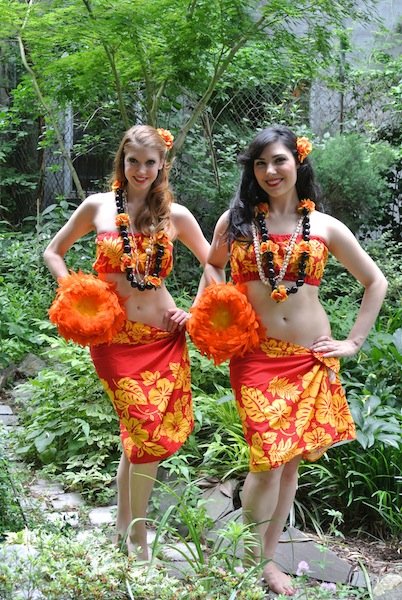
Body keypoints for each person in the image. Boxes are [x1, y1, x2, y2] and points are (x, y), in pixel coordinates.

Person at [202, 125, 388, 596]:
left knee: (288, 465)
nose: (270, 171)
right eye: (261, 163)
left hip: (310, 358)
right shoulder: (237, 222)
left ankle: (266, 561)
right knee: (266, 462)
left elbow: (375, 282)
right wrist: (213, 310)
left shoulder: (323, 226)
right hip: (256, 358)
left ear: (297, 162)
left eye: (279, 160)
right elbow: (211, 262)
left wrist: (354, 342)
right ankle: (246, 562)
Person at [44, 124, 210, 558]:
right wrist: (74, 291)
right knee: (145, 431)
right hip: (114, 337)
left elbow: (214, 265)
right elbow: (53, 252)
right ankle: (138, 539)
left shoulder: (176, 215)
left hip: (163, 335)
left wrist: (193, 310)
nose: (140, 170)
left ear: (162, 165)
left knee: (139, 439)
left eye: (149, 163)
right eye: (132, 161)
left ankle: (123, 534)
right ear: (122, 161)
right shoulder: (98, 207)